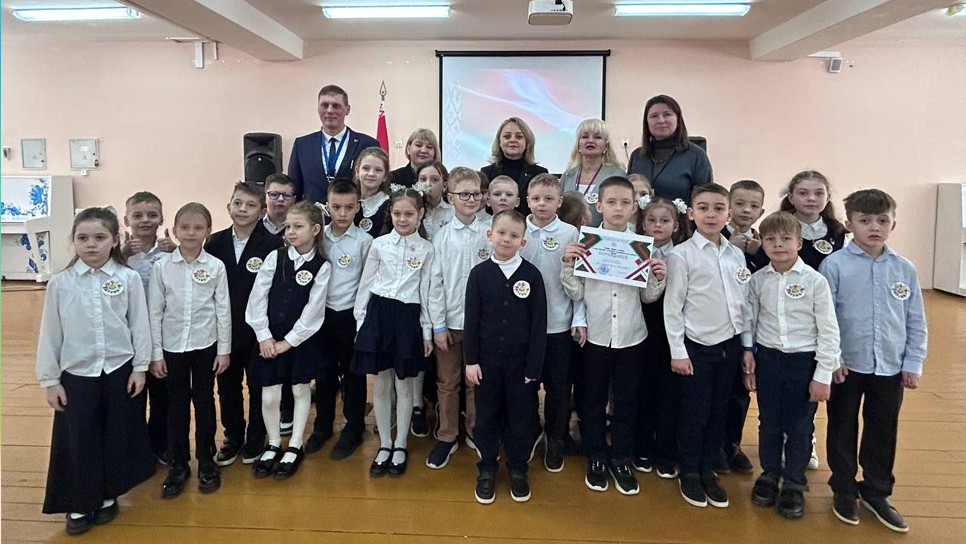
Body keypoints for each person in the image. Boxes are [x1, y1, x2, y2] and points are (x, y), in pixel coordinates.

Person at [37, 207, 156, 535]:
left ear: (115, 240)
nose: (91, 244)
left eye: (100, 237)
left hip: (119, 370)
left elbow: (139, 325)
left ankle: (106, 494)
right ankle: (79, 501)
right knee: (79, 437)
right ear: (73, 241)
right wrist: (50, 380)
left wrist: (140, 367)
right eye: (83, 238)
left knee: (115, 433)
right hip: (77, 375)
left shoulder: (128, 279)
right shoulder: (61, 284)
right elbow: (50, 333)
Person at [820, 189, 927, 533]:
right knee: (842, 426)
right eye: (865, 220)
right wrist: (834, 358)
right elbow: (826, 318)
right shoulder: (834, 265)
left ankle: (876, 491)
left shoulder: (904, 268)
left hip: (890, 366)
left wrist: (913, 362)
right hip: (847, 365)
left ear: (893, 224)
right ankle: (843, 488)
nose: (874, 227)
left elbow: (915, 319)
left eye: (882, 220)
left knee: (883, 429)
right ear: (850, 224)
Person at [562, 176, 667, 496]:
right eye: (611, 202)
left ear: (635, 207)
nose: (618, 208)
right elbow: (577, 292)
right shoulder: (588, 243)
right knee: (592, 400)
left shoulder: (642, 246)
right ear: (599, 205)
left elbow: (648, 297)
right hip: (596, 335)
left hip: (632, 336)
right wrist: (568, 263)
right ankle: (596, 454)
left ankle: (621, 457)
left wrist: (658, 277)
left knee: (626, 400)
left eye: (625, 202)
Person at [741, 211, 840, 520]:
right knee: (769, 421)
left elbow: (828, 329)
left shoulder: (815, 281)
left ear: (799, 242)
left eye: (786, 239)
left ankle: (795, 482)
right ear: (762, 244)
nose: (778, 245)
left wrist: (823, 374)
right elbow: (749, 320)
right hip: (769, 360)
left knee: (799, 425)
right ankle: (770, 473)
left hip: (803, 361)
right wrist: (749, 354)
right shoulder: (758, 280)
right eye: (770, 239)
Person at [664, 183, 749, 509]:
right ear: (690, 213)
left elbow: (742, 303)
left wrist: (746, 347)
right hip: (696, 347)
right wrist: (678, 351)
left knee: (718, 411)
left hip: (729, 346)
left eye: (718, 208)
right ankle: (689, 470)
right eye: (703, 208)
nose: (710, 214)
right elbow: (673, 307)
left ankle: (708, 468)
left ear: (729, 214)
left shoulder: (736, 254)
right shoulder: (681, 255)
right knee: (695, 412)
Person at [352, 187, 445, 478]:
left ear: (420, 215)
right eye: (397, 213)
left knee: (405, 385)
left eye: (409, 214)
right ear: (390, 214)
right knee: (381, 385)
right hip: (378, 316)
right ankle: (385, 443)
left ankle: (401, 444)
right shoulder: (379, 245)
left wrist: (427, 332)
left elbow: (428, 292)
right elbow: (366, 285)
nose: (402, 219)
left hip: (408, 319)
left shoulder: (427, 249)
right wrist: (360, 324)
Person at [148, 203, 231, 499]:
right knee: (176, 403)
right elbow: (154, 312)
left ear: (208, 231)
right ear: (174, 230)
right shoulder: (162, 267)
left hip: (205, 344)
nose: (191, 233)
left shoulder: (215, 267)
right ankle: (178, 463)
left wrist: (224, 350)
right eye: (185, 227)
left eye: (198, 227)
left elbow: (223, 310)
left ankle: (206, 459)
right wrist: (156, 353)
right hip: (172, 346)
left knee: (205, 400)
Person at [465, 210, 548, 504]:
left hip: (520, 366)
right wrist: (471, 360)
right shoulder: (479, 274)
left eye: (514, 235)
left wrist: (534, 366)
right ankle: (487, 467)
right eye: (501, 233)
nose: (506, 239)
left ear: (523, 241)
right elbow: (471, 320)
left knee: (520, 418)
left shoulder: (532, 275)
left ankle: (517, 468)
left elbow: (539, 324)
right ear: (490, 235)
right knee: (486, 417)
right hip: (486, 365)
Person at [246, 202, 331, 480]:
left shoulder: (322, 266)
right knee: (269, 394)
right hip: (269, 339)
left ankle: (295, 444)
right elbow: (257, 297)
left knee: (300, 390)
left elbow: (314, 310)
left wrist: (290, 341)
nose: (290, 232)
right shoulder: (276, 257)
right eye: (288, 227)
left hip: (300, 342)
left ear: (315, 229)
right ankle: (273, 443)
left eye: (298, 226)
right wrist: (264, 336)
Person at [204, 182, 282, 467]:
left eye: (250, 205)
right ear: (228, 207)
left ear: (262, 211)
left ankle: (257, 436)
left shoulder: (272, 245)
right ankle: (232, 436)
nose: (242, 209)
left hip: (259, 332)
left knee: (259, 385)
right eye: (237, 203)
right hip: (224, 330)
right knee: (227, 386)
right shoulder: (214, 243)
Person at [427, 168, 491, 469]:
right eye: (464, 194)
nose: (471, 199)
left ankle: (476, 431)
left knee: (476, 381)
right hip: (450, 324)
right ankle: (447, 435)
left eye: (476, 193)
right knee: (448, 382)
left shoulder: (490, 233)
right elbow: (435, 285)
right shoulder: (441, 238)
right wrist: (438, 326)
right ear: (450, 197)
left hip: (483, 326)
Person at [306, 180, 373, 460]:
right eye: (336, 207)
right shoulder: (317, 237)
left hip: (349, 316)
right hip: (321, 316)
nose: (342, 213)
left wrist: (361, 319)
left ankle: (354, 427)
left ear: (358, 207)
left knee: (353, 375)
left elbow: (367, 284)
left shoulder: (365, 242)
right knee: (323, 374)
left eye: (348, 207)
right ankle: (322, 426)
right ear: (327, 206)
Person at [521, 173, 584, 472]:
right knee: (526, 385)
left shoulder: (571, 233)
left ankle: (556, 437)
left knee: (559, 387)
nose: (541, 204)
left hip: (559, 324)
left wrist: (579, 318)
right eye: (536, 199)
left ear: (560, 201)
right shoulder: (518, 229)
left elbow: (580, 280)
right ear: (527, 201)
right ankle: (531, 431)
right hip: (524, 327)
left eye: (548, 199)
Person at [633, 196, 686, 478]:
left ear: (675, 225)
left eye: (664, 220)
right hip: (643, 329)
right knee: (644, 390)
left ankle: (666, 452)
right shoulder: (633, 250)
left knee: (670, 394)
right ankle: (642, 447)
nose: (657, 225)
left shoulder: (683, 255)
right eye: (651, 220)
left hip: (672, 335)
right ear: (643, 224)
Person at [718, 179, 769, 475]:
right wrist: (729, 248)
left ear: (761, 211)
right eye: (739, 204)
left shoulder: (765, 245)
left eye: (753, 206)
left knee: (740, 390)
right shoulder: (715, 237)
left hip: (749, 328)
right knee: (717, 390)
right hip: (718, 326)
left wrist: (758, 253)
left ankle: (732, 444)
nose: (746, 210)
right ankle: (714, 444)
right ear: (728, 208)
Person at [122, 192, 175, 465]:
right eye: (138, 215)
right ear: (126, 220)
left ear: (161, 219)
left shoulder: (169, 251)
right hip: (128, 335)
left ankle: (161, 444)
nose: (145, 220)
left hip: (162, 334)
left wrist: (176, 252)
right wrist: (120, 256)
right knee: (132, 395)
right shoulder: (117, 253)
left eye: (152, 215)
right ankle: (136, 450)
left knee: (163, 394)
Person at [289, 84, 381, 204]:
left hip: (352, 213)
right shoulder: (302, 145)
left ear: (347, 109)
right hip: (312, 214)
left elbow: (375, 189)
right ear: (318, 108)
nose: (330, 111)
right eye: (325, 105)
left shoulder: (367, 144)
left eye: (336, 106)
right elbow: (294, 188)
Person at [627, 95, 713, 204]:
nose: (661, 120)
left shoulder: (696, 155)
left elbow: (706, 200)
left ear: (678, 119)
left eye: (667, 114)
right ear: (647, 122)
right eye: (654, 116)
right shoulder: (637, 156)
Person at [560, 118, 627, 226]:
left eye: (597, 137)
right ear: (578, 145)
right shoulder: (568, 175)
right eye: (585, 137)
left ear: (606, 146)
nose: (590, 141)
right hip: (569, 234)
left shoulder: (617, 175)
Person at [780, 170, 847, 271]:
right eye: (803, 193)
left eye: (819, 193)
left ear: (827, 198)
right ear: (791, 198)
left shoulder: (838, 233)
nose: (811, 198)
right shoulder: (777, 229)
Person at [481, 117, 548, 216]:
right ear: (499, 142)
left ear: (527, 142)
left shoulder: (540, 174)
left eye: (519, 137)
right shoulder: (486, 173)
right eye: (507, 136)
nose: (512, 140)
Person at [354, 147, 392, 236]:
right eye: (366, 168)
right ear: (357, 172)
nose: (371, 174)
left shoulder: (389, 205)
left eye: (378, 170)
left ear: (385, 176)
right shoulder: (348, 201)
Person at [418, 160, 454, 241]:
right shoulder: (412, 212)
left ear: (444, 186)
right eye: (423, 179)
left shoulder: (453, 212)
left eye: (434, 180)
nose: (428, 184)